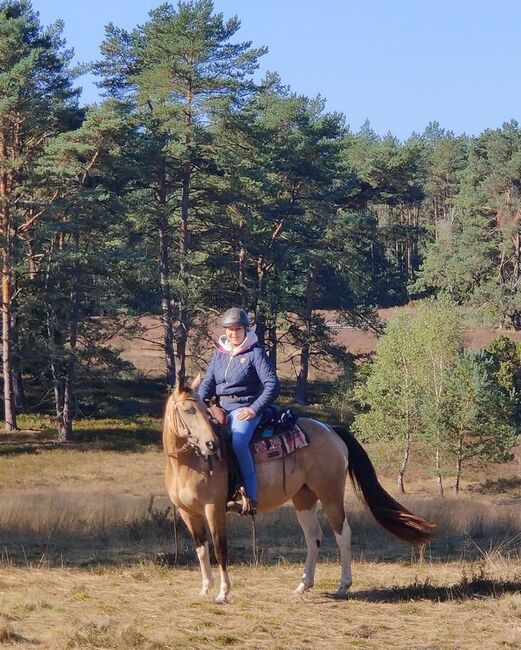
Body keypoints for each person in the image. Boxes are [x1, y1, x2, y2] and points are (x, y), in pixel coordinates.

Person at [197, 308, 280, 515]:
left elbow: (272, 385)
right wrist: (199, 402)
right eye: (231, 329)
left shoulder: (255, 353)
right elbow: (208, 382)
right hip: (220, 408)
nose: (234, 333)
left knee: (238, 441)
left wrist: (254, 409)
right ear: (226, 331)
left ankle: (250, 498)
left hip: (245, 408)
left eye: (238, 329)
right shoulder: (219, 354)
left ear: (245, 329)